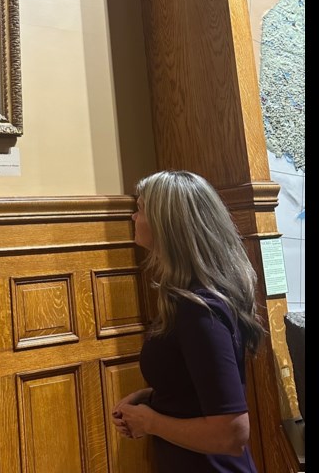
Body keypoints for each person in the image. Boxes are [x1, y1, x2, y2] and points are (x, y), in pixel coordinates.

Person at [111, 170, 266, 473]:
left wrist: (151, 422)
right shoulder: (188, 299)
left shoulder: (198, 309)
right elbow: (196, 390)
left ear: (166, 224)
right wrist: (153, 398)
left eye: (140, 209)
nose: (133, 217)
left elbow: (231, 432)